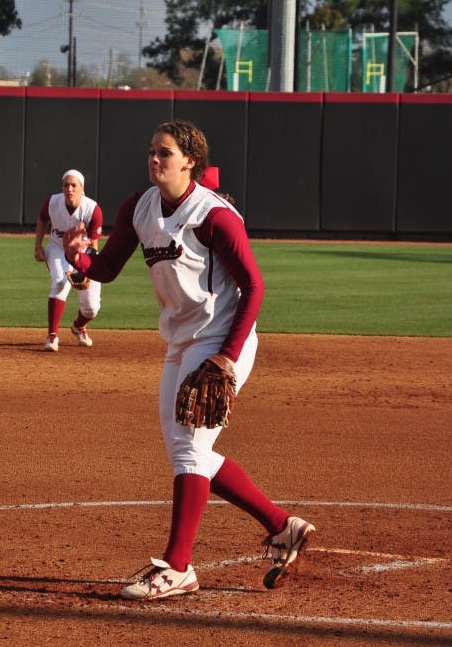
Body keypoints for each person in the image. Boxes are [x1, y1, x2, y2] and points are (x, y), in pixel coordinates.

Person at [63, 120, 315, 600]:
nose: (154, 159)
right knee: (188, 450)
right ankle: (283, 526)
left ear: (190, 161)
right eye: (151, 151)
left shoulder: (214, 215)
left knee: (187, 449)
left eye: (165, 152)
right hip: (181, 341)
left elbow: (254, 286)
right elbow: (107, 267)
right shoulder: (138, 208)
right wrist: (80, 257)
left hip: (220, 340)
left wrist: (226, 358)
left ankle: (178, 567)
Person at [33, 169, 103, 352]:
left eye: (74, 185)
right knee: (60, 282)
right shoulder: (52, 202)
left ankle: (79, 326)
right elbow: (42, 219)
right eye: (66, 185)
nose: (69, 189)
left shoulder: (92, 209)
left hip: (83, 252)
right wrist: (38, 245)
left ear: (82, 188)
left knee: (92, 308)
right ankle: (52, 335)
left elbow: (93, 243)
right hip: (57, 248)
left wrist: (87, 268)